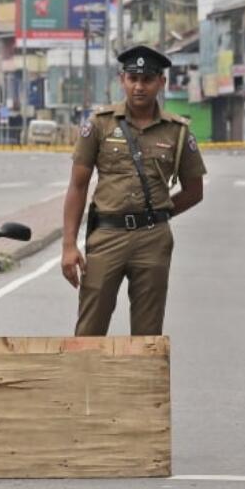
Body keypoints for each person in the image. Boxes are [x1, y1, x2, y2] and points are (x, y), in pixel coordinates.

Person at [61, 45, 206, 336]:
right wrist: (68, 245)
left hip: (153, 240)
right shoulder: (100, 125)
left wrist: (158, 214)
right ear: (122, 80)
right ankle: (87, 383)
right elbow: (77, 186)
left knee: (147, 335)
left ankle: (141, 383)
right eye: (133, 78)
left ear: (161, 82)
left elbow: (194, 190)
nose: (139, 86)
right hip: (107, 236)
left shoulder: (177, 132)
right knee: (90, 329)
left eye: (147, 79)